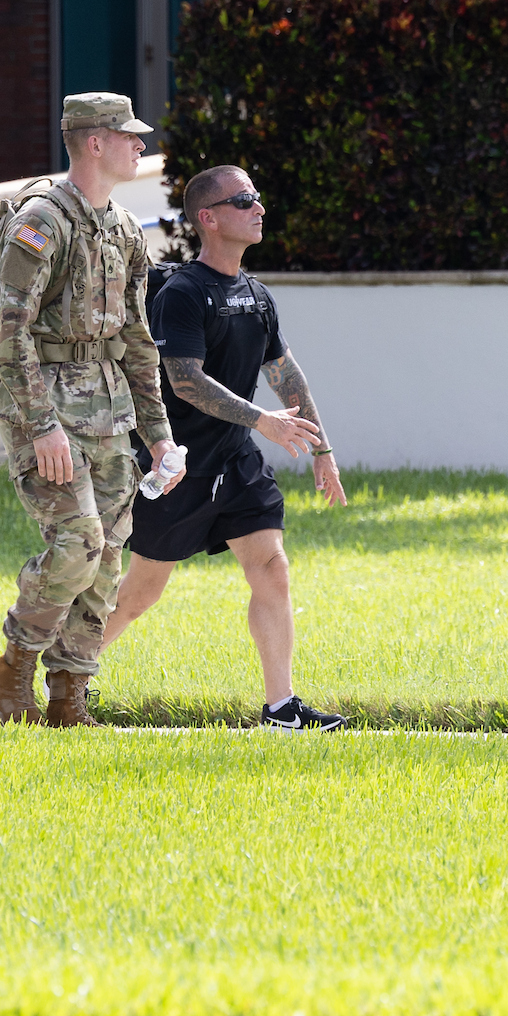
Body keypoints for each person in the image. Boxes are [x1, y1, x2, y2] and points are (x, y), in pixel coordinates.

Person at [104, 163, 349, 731]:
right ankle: (70, 675)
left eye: (258, 198)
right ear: (209, 219)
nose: (259, 208)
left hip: (237, 463)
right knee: (141, 593)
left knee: (271, 568)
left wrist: (322, 449)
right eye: (245, 201)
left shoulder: (257, 295)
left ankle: (281, 707)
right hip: (178, 466)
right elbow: (184, 379)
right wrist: (264, 420)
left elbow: (286, 373)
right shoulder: (184, 294)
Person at [0, 93, 181, 728]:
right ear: (95, 143)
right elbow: (9, 331)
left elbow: (140, 340)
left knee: (109, 555)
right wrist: (41, 427)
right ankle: (11, 669)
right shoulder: (42, 220)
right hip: (47, 411)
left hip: (110, 410)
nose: (140, 147)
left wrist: (160, 438)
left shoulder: (122, 226)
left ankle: (69, 696)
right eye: (129, 137)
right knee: (78, 544)